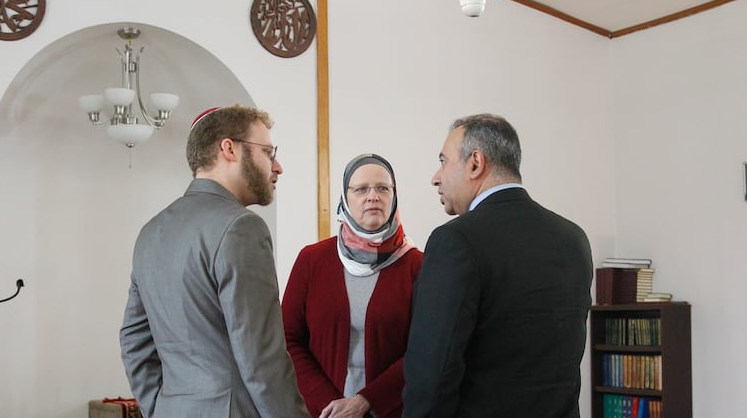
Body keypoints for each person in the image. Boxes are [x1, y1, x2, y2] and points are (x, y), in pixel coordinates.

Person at [119, 105, 309, 418]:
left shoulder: (152, 231)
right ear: (229, 149)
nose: (277, 167)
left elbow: (133, 341)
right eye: (267, 152)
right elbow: (262, 358)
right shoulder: (241, 227)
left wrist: (159, 407)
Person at [402, 113, 593, 418]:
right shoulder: (573, 239)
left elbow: (432, 374)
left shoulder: (455, 241)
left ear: (475, 163)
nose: (435, 177)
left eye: (443, 161)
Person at [281, 154, 423, 418]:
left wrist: (367, 401)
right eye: (361, 189)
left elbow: (424, 348)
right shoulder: (312, 260)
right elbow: (288, 338)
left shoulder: (417, 266)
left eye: (383, 188)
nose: (373, 196)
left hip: (393, 410)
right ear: (346, 198)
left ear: (394, 196)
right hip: (322, 412)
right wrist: (329, 404)